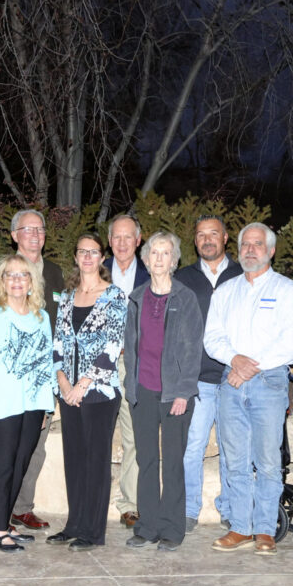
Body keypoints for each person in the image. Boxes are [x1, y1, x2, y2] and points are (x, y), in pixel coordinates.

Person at [204, 222, 293, 556]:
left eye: (258, 244)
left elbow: (291, 342)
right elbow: (212, 337)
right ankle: (240, 528)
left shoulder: (286, 289)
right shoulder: (225, 291)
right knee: (236, 462)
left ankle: (264, 530)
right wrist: (234, 359)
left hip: (268, 383)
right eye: (245, 244)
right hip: (231, 384)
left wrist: (247, 367)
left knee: (268, 461)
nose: (249, 249)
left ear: (271, 251)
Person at [0, 209, 65, 532]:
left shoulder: (54, 273)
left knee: (32, 452)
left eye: (39, 229)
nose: (34, 235)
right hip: (4, 387)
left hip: (38, 386)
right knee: (2, 457)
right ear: (14, 235)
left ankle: (20, 509)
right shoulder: (3, 272)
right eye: (27, 230)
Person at [123, 232, 203, 552]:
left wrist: (184, 392)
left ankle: (172, 528)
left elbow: (192, 348)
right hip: (143, 390)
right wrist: (131, 389)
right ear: (146, 260)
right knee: (146, 460)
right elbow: (131, 347)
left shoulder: (185, 298)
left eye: (165, 253)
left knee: (172, 461)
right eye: (153, 253)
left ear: (174, 260)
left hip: (175, 395)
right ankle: (147, 526)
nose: (158, 258)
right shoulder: (137, 298)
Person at [47, 233, 127, 551]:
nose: (88, 257)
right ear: (77, 257)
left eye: (94, 252)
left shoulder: (115, 296)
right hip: (69, 393)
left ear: (102, 257)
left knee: (95, 462)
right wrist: (64, 382)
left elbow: (113, 346)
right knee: (75, 461)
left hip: (100, 393)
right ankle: (74, 524)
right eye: (82, 252)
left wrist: (83, 383)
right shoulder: (67, 297)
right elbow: (57, 343)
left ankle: (93, 531)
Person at [0, 255, 54, 554]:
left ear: (32, 282)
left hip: (32, 406)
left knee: (20, 466)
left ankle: (4, 524)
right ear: (2, 282)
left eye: (23, 275)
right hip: (0, 406)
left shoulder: (41, 317)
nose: (17, 280)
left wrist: (46, 406)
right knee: (2, 468)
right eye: (10, 275)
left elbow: (45, 364)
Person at [174, 215, 242, 533]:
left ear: (226, 237)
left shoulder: (244, 274)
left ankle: (230, 508)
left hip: (234, 378)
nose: (207, 239)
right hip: (197, 378)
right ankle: (188, 509)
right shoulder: (183, 277)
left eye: (213, 233)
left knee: (232, 448)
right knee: (191, 446)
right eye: (200, 235)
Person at [103, 214, 149, 529]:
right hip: (98, 366)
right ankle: (90, 501)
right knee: (95, 436)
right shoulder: (94, 269)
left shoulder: (152, 273)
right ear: (110, 241)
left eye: (127, 237)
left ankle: (130, 505)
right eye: (116, 237)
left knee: (134, 436)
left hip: (133, 365)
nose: (121, 243)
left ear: (138, 240)